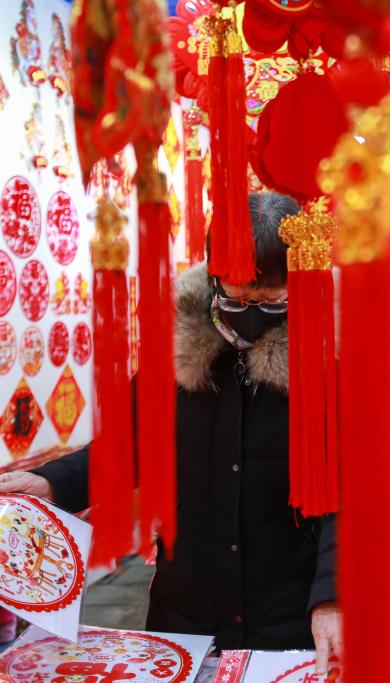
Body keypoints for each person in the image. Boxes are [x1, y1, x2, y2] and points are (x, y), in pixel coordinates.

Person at [0, 192, 341, 669]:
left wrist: (332, 596)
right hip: (187, 613)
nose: (249, 311)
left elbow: (357, 492)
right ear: (214, 277)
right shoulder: (179, 351)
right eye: (237, 296)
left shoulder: (333, 365)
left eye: (270, 301)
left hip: (291, 614)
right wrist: (51, 482)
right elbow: (129, 444)